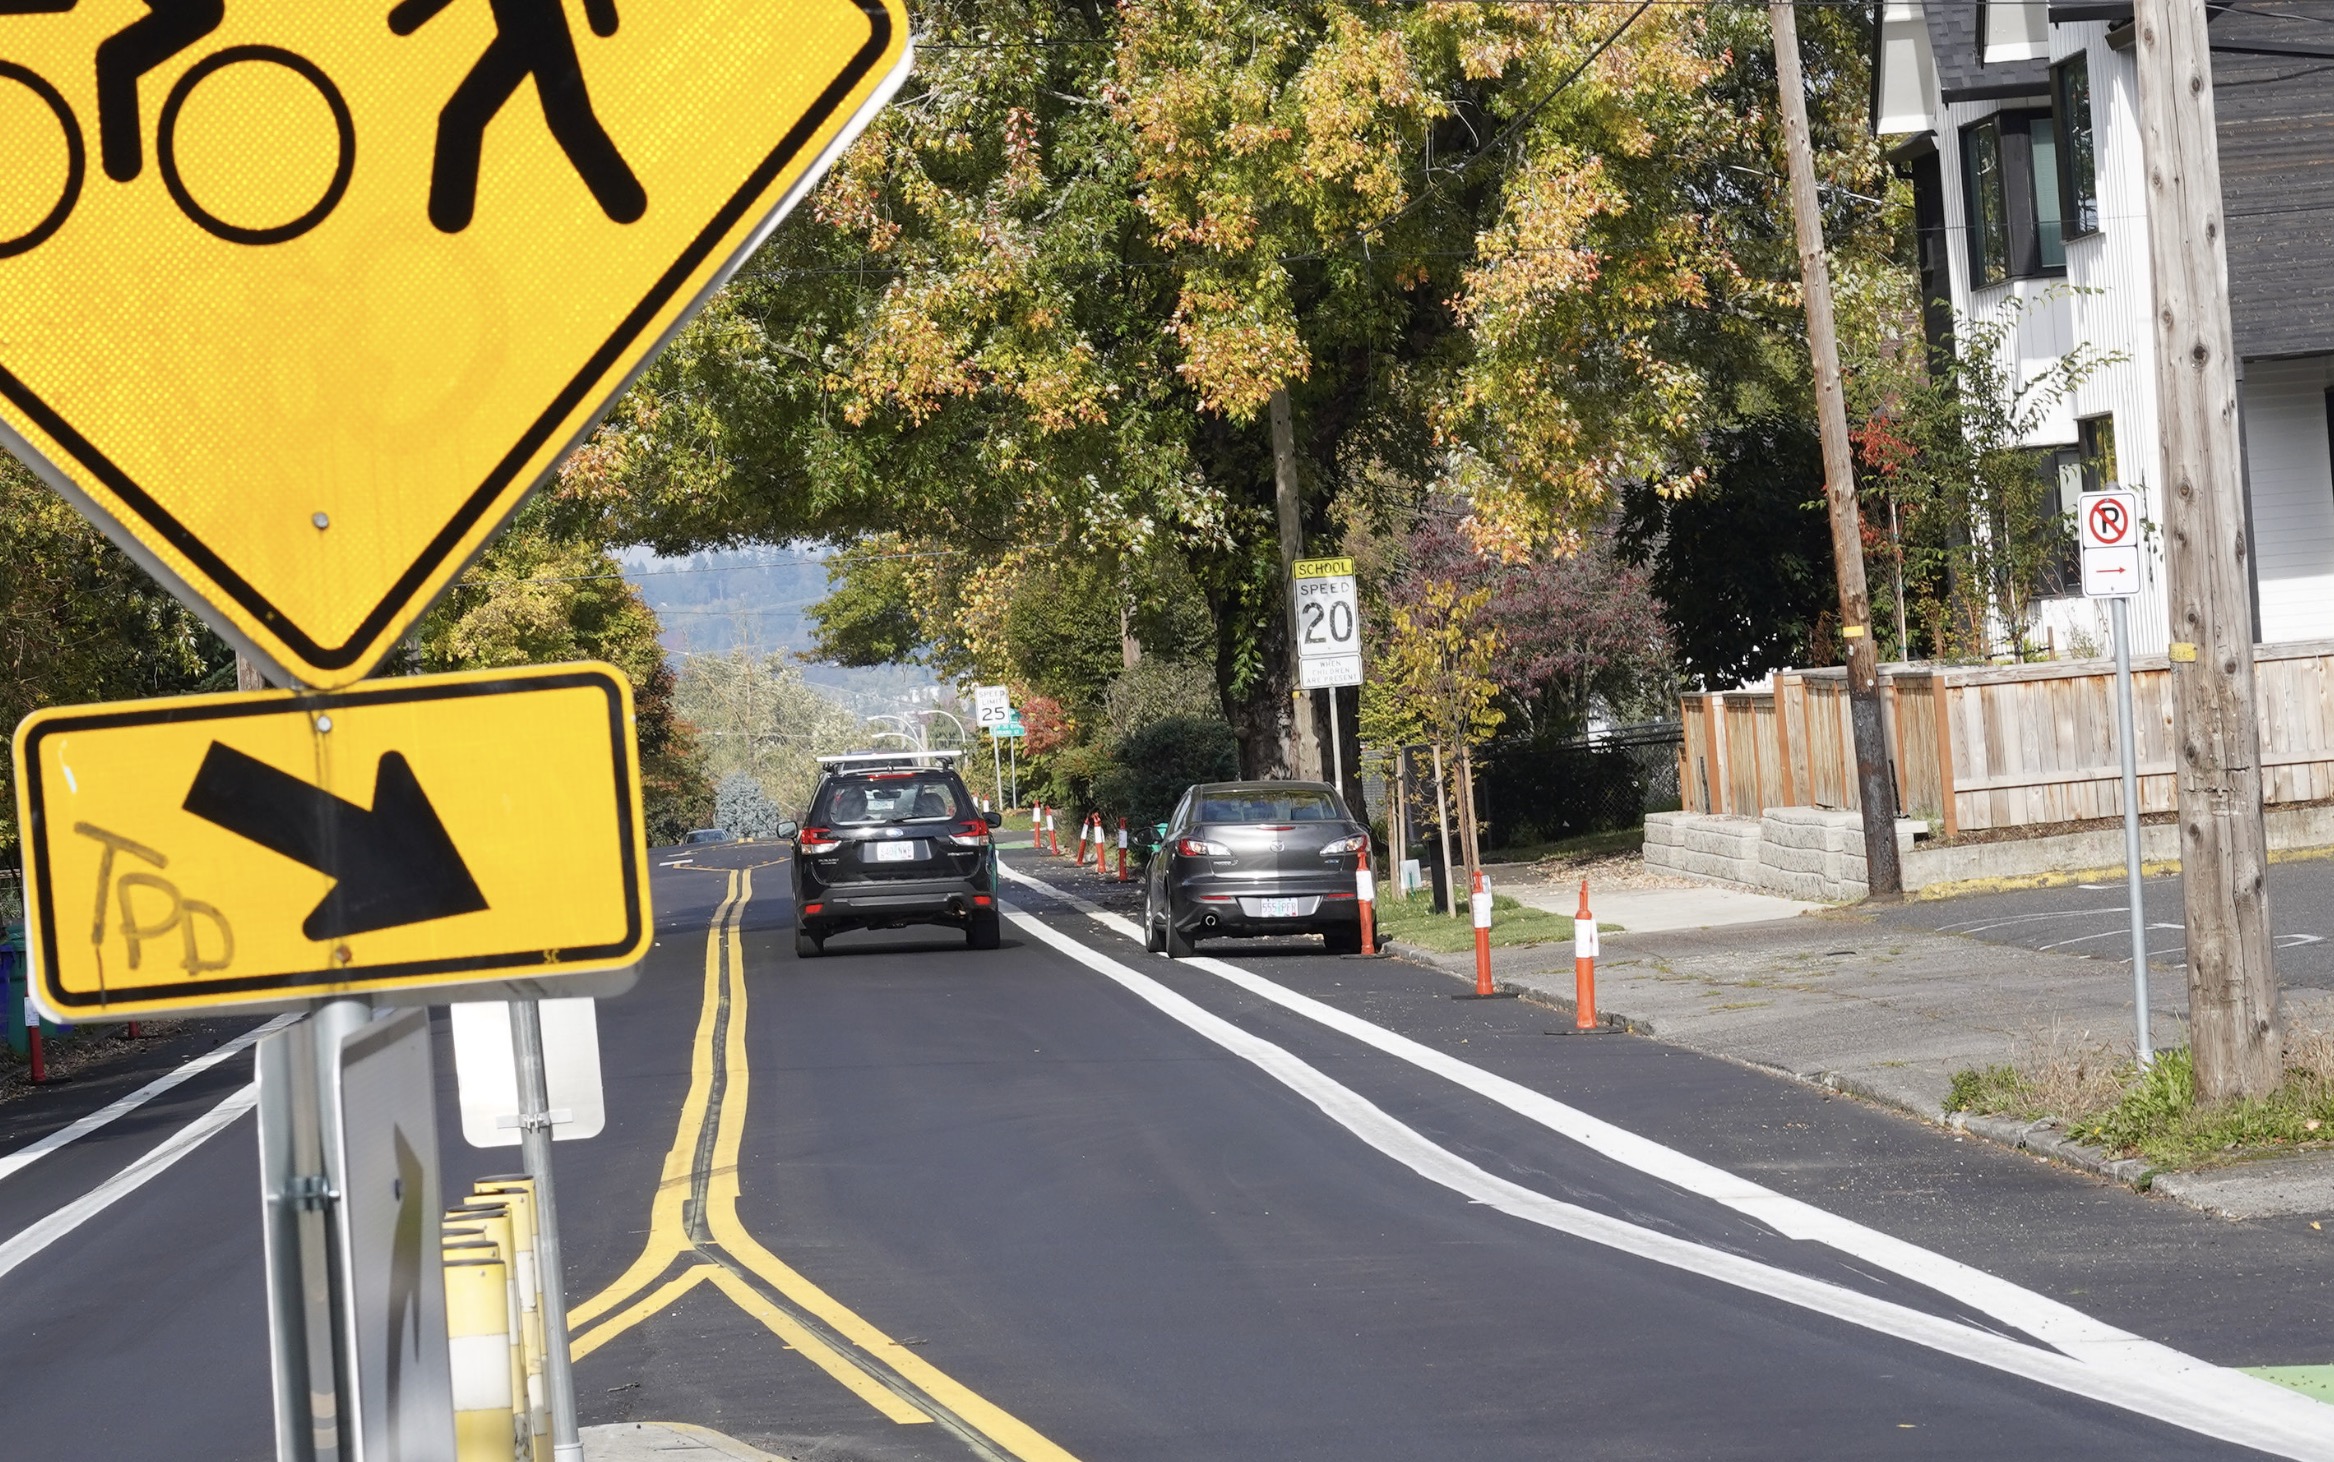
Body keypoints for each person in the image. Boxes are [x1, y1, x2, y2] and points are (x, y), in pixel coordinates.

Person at [388, 0, 644, 233]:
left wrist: (408, 17)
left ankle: (624, 200)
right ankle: (623, 199)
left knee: (464, 118)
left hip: (538, 34)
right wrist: (409, 16)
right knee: (566, 119)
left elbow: (603, 20)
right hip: (535, 35)